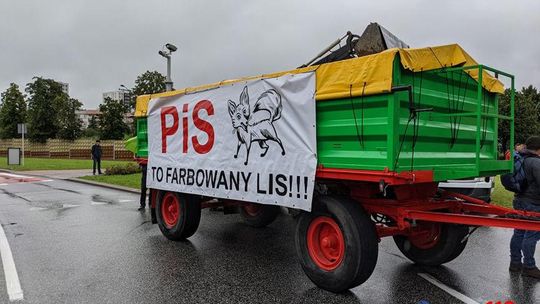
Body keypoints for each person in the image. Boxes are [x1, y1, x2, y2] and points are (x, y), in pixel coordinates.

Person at [509, 136, 540, 278]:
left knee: (519, 232)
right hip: (533, 203)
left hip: (519, 200)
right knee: (531, 234)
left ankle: (515, 263)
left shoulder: (521, 159)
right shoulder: (536, 163)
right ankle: (529, 266)